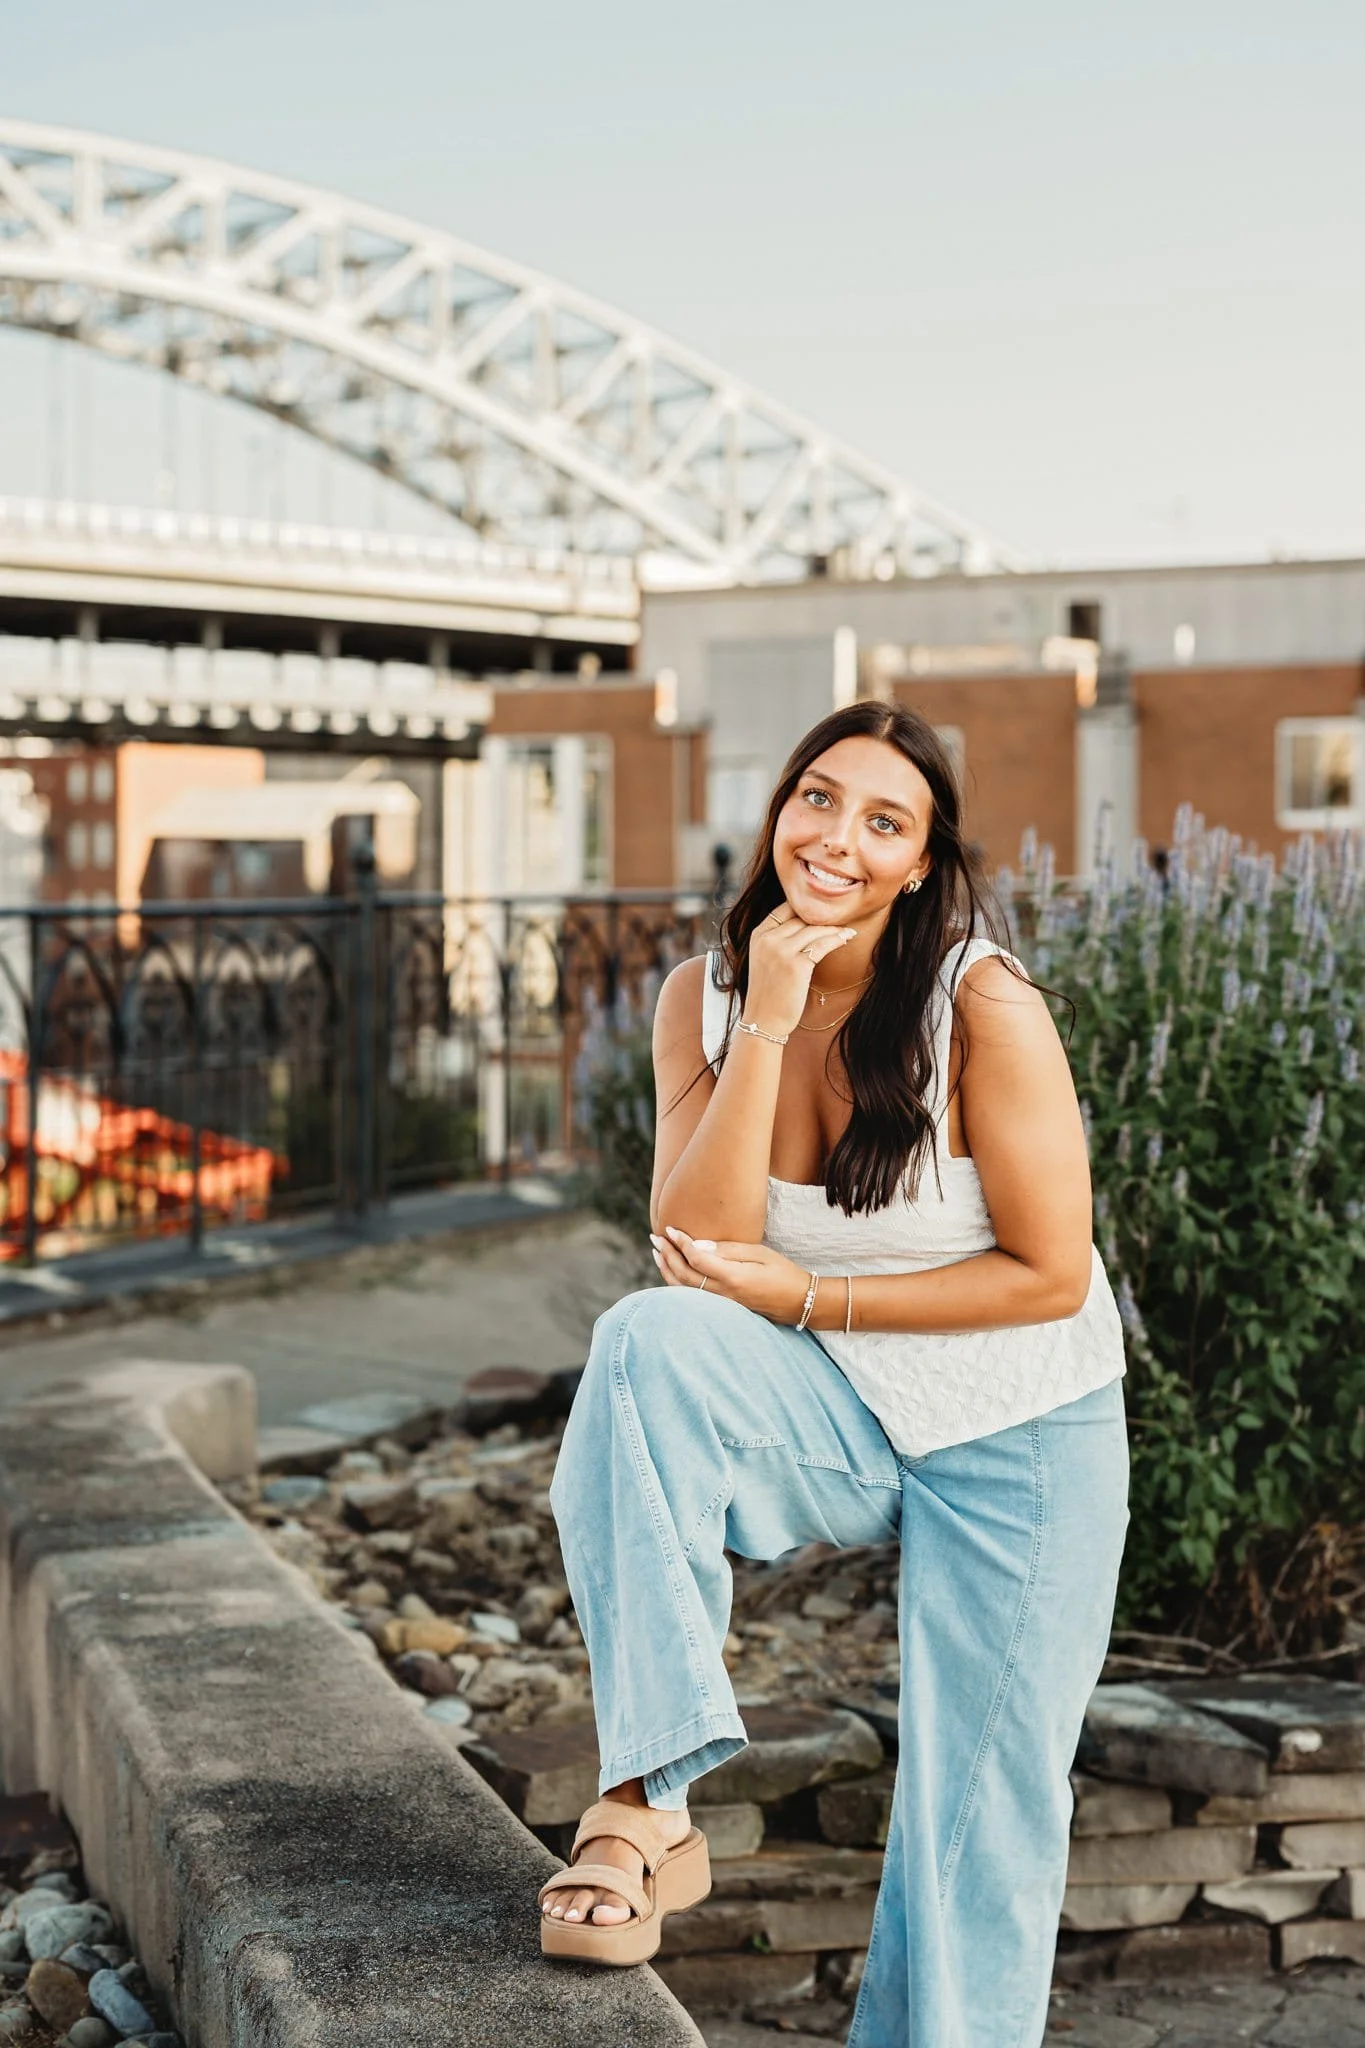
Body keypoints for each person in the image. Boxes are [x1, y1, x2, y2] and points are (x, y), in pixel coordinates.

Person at [539, 700, 1129, 2047]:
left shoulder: (982, 1002)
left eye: (884, 820)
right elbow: (696, 1245)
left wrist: (815, 1295)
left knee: (976, 1807)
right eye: (818, 798)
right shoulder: (705, 992)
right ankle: (646, 1806)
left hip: (1021, 1421)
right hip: (846, 1412)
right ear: (777, 813)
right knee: (642, 1347)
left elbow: (1050, 1270)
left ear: (922, 863)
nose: (839, 838)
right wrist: (768, 1020)